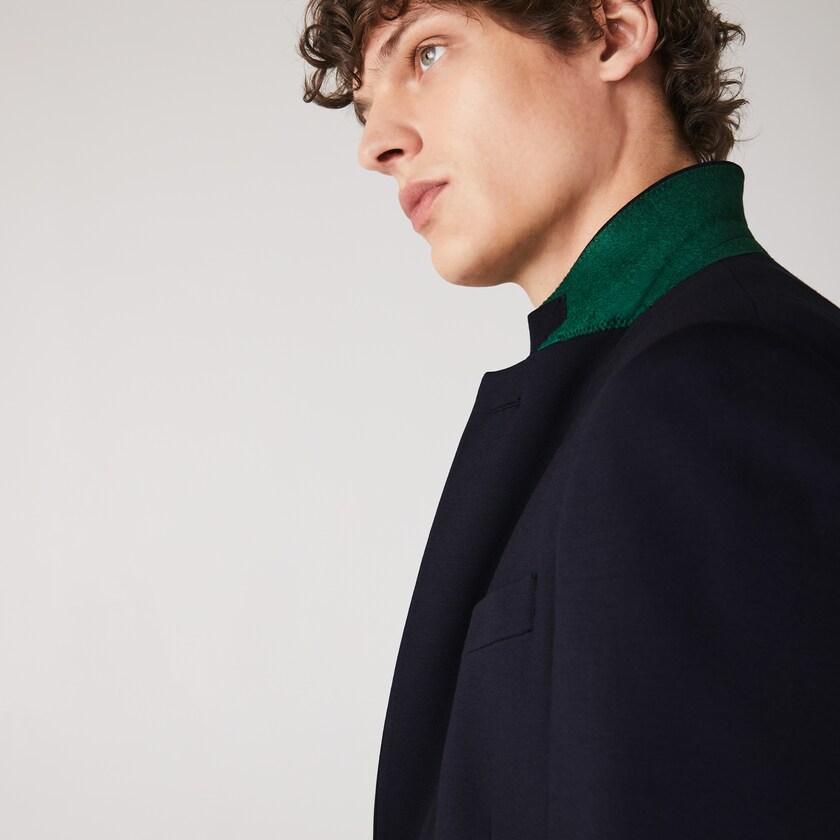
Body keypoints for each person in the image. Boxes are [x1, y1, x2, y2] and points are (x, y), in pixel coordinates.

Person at [297, 0, 840, 836]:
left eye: (428, 53)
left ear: (612, 32)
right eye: (368, 105)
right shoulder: (633, 387)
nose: (376, 144)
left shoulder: (714, 386)